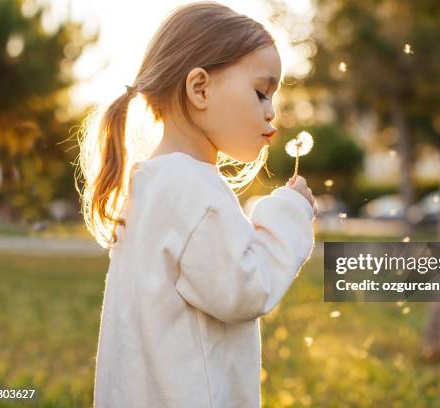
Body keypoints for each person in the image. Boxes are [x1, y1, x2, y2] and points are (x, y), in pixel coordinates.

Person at [76, 2, 318, 407]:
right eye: (261, 92)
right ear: (200, 88)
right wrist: (288, 215)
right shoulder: (192, 189)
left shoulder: (151, 183)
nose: (272, 111)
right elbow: (243, 290)